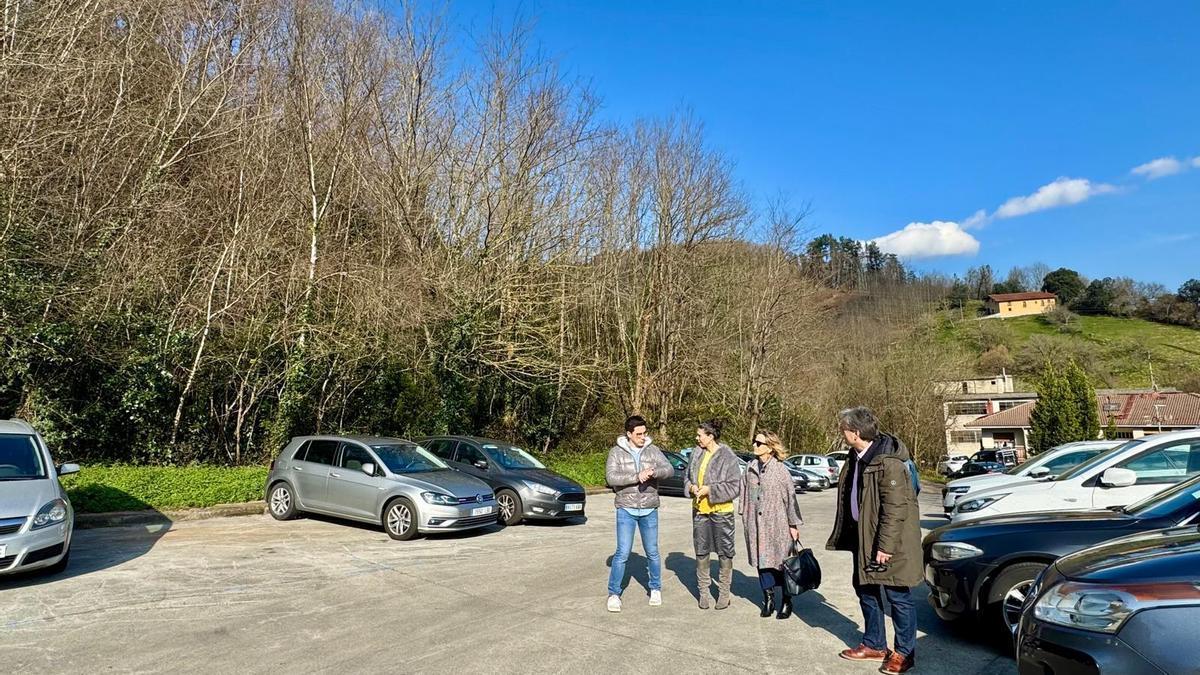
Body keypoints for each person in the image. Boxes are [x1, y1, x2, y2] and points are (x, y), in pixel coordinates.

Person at [826, 407, 921, 674]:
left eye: (843, 429)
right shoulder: (856, 457)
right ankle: (874, 644)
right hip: (863, 538)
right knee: (866, 590)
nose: (841, 433)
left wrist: (884, 546)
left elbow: (895, 508)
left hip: (891, 543)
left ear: (855, 433)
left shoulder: (887, 461)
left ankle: (904, 652)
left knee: (897, 595)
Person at [605, 414, 674, 613]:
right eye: (638, 434)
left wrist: (655, 472)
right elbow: (611, 478)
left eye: (644, 433)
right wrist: (637, 476)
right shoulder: (616, 453)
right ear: (628, 434)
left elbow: (669, 469)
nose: (643, 437)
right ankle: (614, 594)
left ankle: (655, 588)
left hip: (649, 507)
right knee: (622, 553)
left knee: (652, 552)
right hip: (626, 508)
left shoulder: (653, 450)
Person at [739, 429, 803, 619]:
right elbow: (745, 495)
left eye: (759, 443)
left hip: (778, 525)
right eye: (754, 442)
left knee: (781, 563)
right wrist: (744, 514)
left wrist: (793, 525)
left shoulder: (780, 470)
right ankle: (768, 599)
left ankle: (786, 600)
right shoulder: (750, 468)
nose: (754, 446)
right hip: (755, 525)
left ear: (770, 448)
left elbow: (791, 499)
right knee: (762, 563)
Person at [683, 420, 741, 610]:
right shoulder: (696, 453)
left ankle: (724, 593)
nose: (696, 438)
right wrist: (690, 487)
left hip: (721, 512)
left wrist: (710, 490)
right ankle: (704, 592)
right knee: (701, 552)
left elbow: (734, 486)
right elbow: (687, 477)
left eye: (700, 435)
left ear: (711, 436)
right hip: (700, 510)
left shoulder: (728, 456)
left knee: (725, 553)